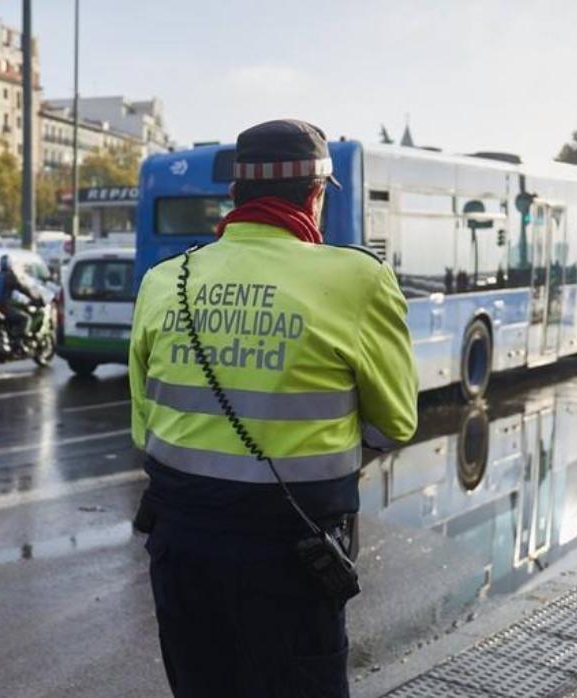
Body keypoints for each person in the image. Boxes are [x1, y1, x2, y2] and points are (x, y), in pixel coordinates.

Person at [128, 119, 418, 697]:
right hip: (294, 556)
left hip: (181, 551)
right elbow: (395, 421)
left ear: (234, 196)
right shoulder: (358, 279)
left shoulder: (164, 281)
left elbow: (146, 428)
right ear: (315, 196)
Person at [0, 255, 43, 347]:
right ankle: (18, 341)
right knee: (26, 319)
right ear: (10, 264)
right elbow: (22, 288)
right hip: (5, 306)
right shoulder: (10, 276)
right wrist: (34, 297)